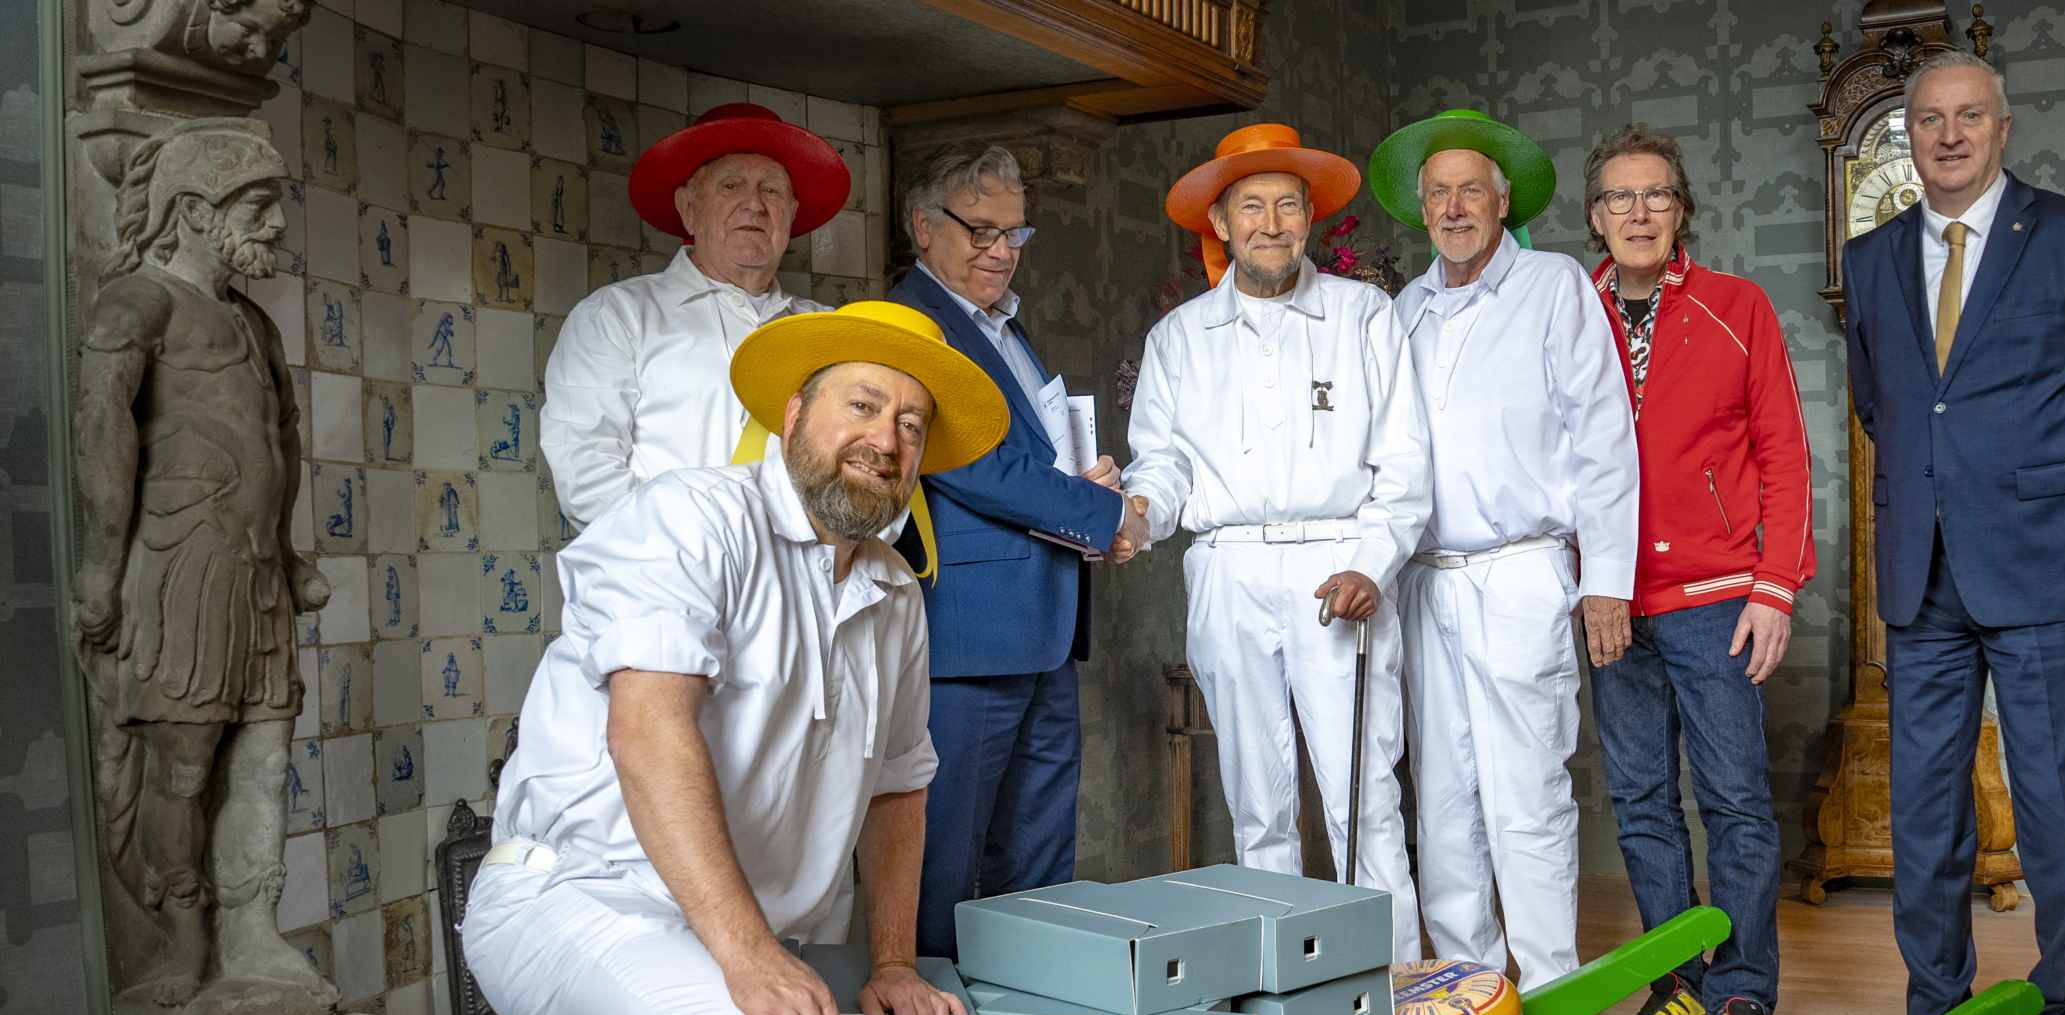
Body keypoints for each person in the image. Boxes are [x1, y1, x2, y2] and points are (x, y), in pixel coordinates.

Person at [370, 302, 1003, 1015]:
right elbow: (647, 730)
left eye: (910, 424)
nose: (887, 438)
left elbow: (901, 783)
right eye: (863, 404)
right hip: (569, 904)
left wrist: (897, 959)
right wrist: (755, 956)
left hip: (708, 938)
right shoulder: (686, 520)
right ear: (794, 412)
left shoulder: (894, 594)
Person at [1840, 52, 2065, 1015]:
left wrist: (2047, 495)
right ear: (1908, 137)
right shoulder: (1876, 255)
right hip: (1920, 574)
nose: (1947, 134)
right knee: (1922, 811)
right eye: (1927, 120)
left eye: (1967, 116)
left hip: (2043, 569)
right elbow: (1886, 406)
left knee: (2053, 808)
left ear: (2002, 127)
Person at [1366, 110, 1636, 1015]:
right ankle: (1471, 994)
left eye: (1468, 190)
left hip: (1524, 570)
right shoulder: (1402, 310)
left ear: (1503, 200)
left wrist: (1607, 579)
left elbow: (1606, 439)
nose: (1451, 207)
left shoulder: (1556, 287)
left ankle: (1552, 994)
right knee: (1442, 798)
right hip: (1425, 580)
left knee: (1528, 793)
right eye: (1436, 193)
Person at [1121, 124, 1431, 966]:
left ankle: (1398, 992)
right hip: (1227, 567)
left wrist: (1372, 563)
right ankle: (1292, 992)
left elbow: (1404, 462)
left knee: (1362, 796)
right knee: (1256, 805)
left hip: (1340, 562)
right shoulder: (1179, 339)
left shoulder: (1363, 315)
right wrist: (1134, 515)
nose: (1270, 222)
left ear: (1310, 220)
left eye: (1287, 204)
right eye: (1250, 205)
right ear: (1218, 224)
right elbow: (1162, 464)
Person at [1579, 125, 1814, 1015]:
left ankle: (1741, 996)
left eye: (1656, 196)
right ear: (1595, 218)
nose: (1638, 213)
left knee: (1735, 804)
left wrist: (1775, 585)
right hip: (1607, 600)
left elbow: (1784, 452)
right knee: (1639, 803)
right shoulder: (1567, 313)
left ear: (1682, 211)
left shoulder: (1734, 307)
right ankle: (1675, 982)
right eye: (1619, 199)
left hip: (1717, 595)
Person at [887, 145, 1148, 961]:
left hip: (1043, 630)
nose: (1003, 250)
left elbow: (1031, 457)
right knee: (942, 863)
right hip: (967, 640)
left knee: (1038, 871)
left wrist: (1087, 482)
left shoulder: (1003, 326)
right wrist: (1104, 515)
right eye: (982, 230)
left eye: (1015, 231)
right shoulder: (912, 326)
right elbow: (971, 462)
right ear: (922, 228)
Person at [542, 103, 852, 528]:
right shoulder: (615, 317)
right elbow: (588, 478)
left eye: (772, 190)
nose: (754, 205)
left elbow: (864, 464)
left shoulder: (830, 330)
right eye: (730, 185)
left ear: (792, 213)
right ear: (688, 208)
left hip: (803, 584)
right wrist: (698, 562)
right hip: (665, 580)